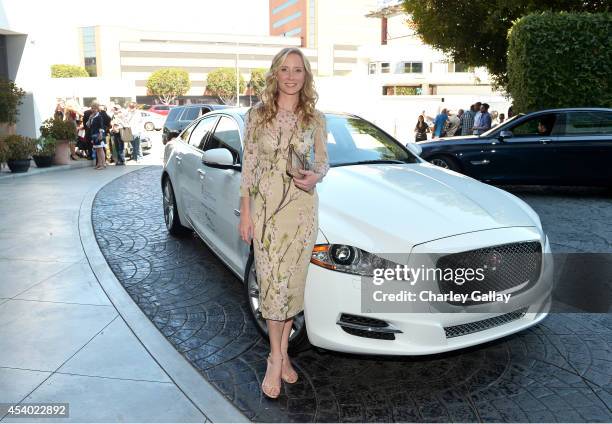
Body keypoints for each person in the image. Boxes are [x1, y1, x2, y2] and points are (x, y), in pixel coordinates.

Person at [238, 47, 329, 400]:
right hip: (265, 212)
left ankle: (280, 355)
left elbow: (324, 162)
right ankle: (275, 358)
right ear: (275, 73)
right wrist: (245, 212)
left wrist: (315, 177)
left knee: (290, 288)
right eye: (285, 70)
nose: (291, 77)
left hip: (302, 211)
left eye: (298, 70)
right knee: (272, 285)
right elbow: (249, 167)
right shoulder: (257, 116)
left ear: (306, 76)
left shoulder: (315, 118)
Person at [87, 103, 106, 169]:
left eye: (94, 108)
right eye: (92, 108)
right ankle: (99, 163)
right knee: (97, 149)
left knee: (100, 149)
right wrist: (90, 118)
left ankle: (103, 164)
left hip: (98, 134)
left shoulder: (99, 116)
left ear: (97, 109)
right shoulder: (92, 116)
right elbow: (88, 125)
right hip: (94, 135)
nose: (93, 110)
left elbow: (101, 126)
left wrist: (100, 134)